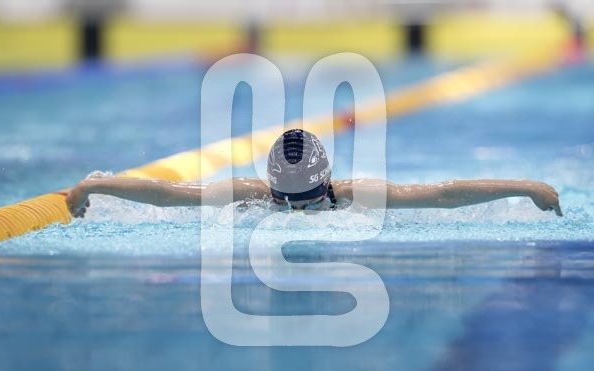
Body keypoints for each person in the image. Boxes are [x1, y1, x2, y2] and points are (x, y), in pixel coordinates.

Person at [66, 129, 562, 218]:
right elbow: (169, 193)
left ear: (329, 186)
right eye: (285, 203)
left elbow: (440, 194)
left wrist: (525, 187)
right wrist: (94, 183)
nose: (298, 213)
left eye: (307, 203)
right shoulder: (248, 193)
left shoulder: (357, 194)